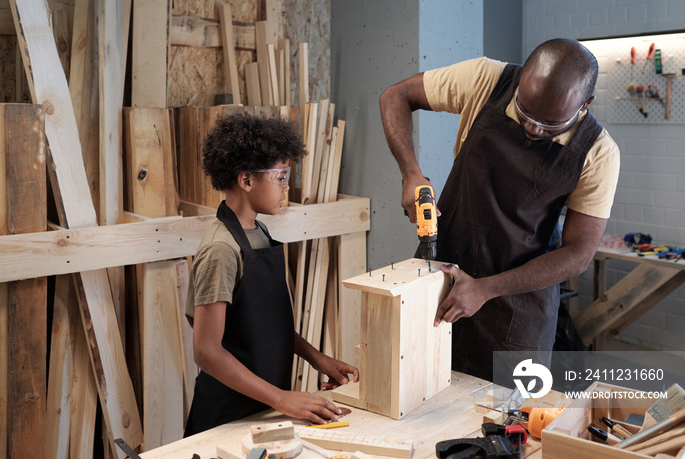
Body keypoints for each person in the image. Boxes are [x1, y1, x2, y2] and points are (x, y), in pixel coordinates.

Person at [379, 38, 620, 382]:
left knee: (509, 423)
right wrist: (411, 173)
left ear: (585, 104)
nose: (533, 129)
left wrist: (485, 288)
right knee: (418, 397)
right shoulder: (485, 79)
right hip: (441, 281)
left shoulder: (599, 153)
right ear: (522, 80)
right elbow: (395, 96)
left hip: (518, 311)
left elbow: (578, 255)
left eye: (550, 125)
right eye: (525, 112)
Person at [184, 113, 359, 436]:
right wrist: (282, 399)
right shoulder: (221, 249)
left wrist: (317, 358)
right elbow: (206, 352)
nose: (286, 185)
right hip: (227, 417)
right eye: (280, 176)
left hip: (263, 407)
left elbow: (262, 325)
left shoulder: (259, 232)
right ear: (247, 180)